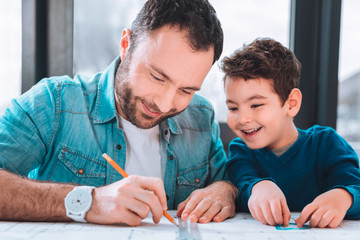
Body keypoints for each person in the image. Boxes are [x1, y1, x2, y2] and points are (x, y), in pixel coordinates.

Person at [0, 0, 238, 226]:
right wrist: (89, 202)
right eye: (157, 77)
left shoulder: (201, 118)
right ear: (126, 45)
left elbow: (227, 181)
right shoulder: (53, 102)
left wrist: (226, 190)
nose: (164, 105)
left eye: (186, 90)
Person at [221, 38, 360, 228]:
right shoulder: (241, 150)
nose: (242, 119)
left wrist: (343, 197)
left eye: (256, 105)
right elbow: (243, 182)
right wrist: (257, 187)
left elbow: (355, 186)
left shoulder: (326, 143)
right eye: (233, 108)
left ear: (291, 103)